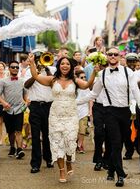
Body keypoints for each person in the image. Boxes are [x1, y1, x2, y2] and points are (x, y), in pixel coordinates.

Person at [77, 47, 140, 187]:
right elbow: (93, 94)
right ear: (107, 57)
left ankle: (111, 168)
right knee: (115, 142)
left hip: (125, 112)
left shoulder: (128, 72)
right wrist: (74, 102)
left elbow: (136, 92)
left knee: (119, 142)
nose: (113, 56)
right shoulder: (102, 74)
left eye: (116, 54)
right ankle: (120, 174)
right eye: (110, 54)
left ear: (119, 56)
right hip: (109, 112)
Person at [28, 54, 97, 183]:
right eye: (62, 64)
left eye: (67, 64)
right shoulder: (52, 80)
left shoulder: (75, 80)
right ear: (59, 66)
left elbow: (87, 84)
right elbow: (36, 76)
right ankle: (61, 170)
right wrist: (32, 63)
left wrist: (94, 72)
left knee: (70, 141)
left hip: (71, 115)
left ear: (70, 67)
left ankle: (69, 161)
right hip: (55, 115)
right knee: (58, 143)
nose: (65, 65)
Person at [24, 50, 56, 174]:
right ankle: (35, 163)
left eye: (41, 58)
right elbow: (26, 85)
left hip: (49, 106)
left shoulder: (51, 70)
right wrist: (35, 73)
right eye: (37, 59)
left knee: (48, 134)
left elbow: (53, 82)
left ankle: (48, 158)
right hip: (36, 106)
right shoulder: (28, 71)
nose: (40, 61)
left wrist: (46, 69)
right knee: (36, 136)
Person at [0, 60, 28, 159]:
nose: (15, 69)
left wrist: (26, 103)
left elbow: (25, 94)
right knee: (10, 132)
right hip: (8, 110)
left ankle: (19, 149)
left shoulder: (23, 81)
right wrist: (4, 103)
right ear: (9, 69)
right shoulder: (3, 81)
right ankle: (12, 147)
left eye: (17, 67)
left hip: (19, 109)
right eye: (13, 67)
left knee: (18, 130)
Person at [75, 70, 91, 154]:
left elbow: (90, 99)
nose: (84, 78)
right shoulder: (73, 86)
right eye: (82, 77)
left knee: (82, 130)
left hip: (84, 111)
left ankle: (79, 145)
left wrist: (90, 111)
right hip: (73, 111)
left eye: (85, 77)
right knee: (74, 130)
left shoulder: (86, 87)